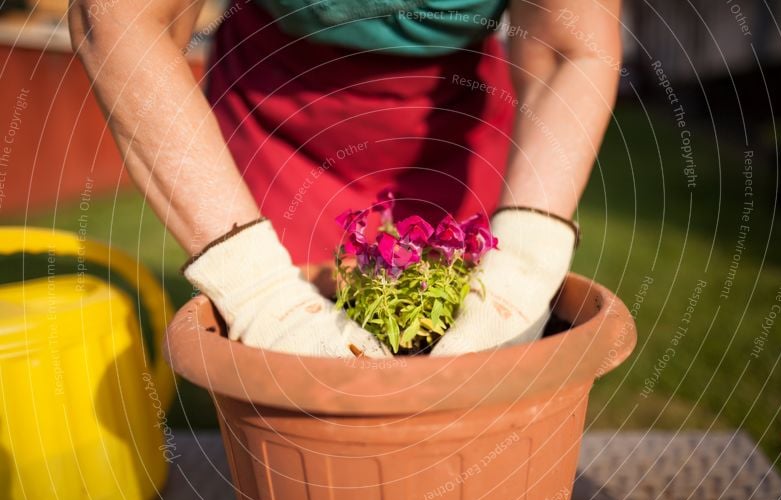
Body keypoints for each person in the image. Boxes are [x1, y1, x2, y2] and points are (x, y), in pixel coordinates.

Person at [68, 0, 621, 358]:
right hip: (277, 104)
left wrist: (523, 269)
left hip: (449, 110)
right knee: (288, 363)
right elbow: (121, 17)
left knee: (462, 338)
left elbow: (567, 44)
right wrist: (258, 292)